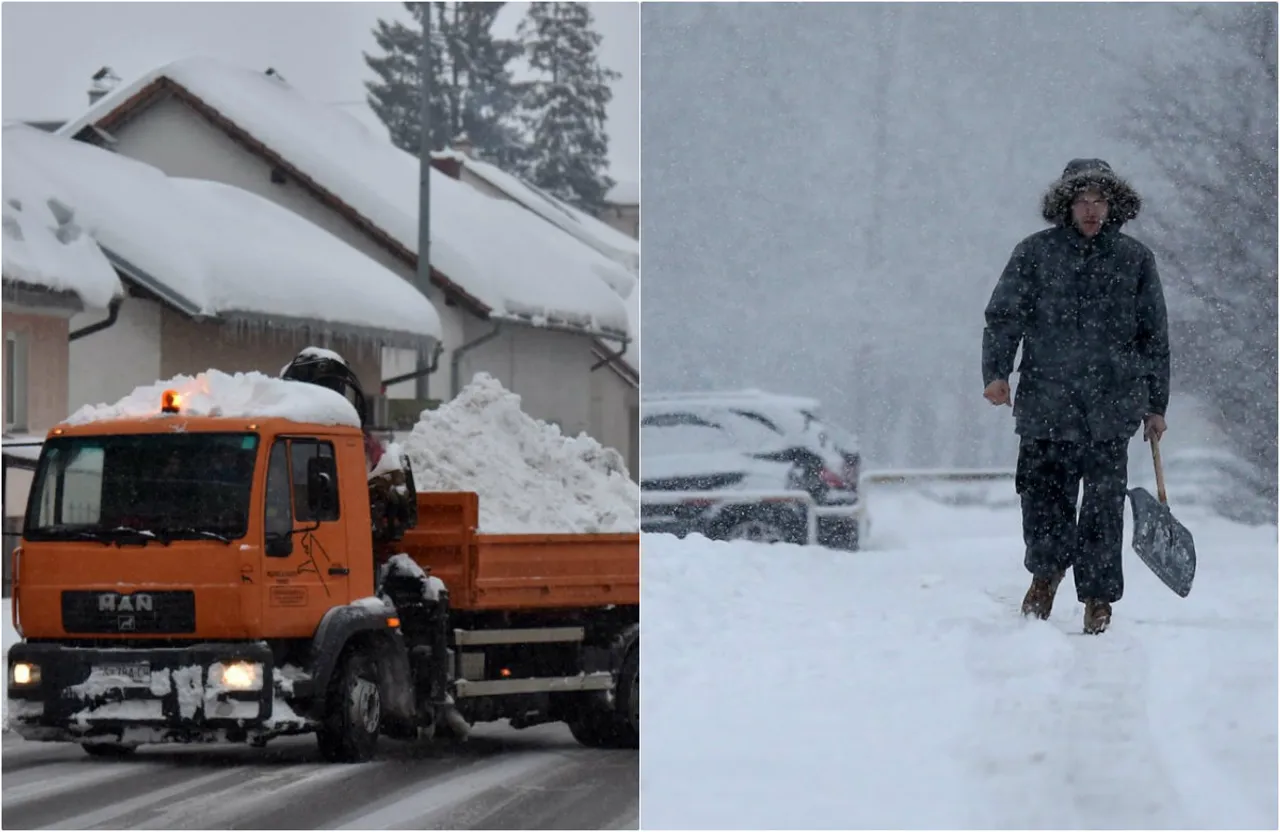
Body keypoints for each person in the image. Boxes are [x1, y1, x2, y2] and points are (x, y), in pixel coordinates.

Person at [981, 158, 1171, 635]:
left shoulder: (1134, 260)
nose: (1091, 209)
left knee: (1104, 506)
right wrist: (996, 373)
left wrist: (1156, 404)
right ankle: (1044, 578)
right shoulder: (1035, 254)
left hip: (1111, 407)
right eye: (1082, 201)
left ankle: (1099, 598)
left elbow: (1154, 336)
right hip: (1047, 403)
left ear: (1113, 206)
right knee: (1044, 499)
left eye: (1100, 200)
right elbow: (1004, 318)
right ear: (1065, 206)